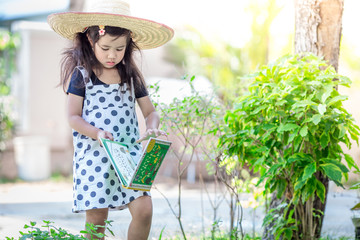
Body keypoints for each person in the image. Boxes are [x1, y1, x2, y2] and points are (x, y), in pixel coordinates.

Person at [47, 0, 174, 239]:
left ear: (128, 45)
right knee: (96, 220)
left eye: (119, 48)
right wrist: (97, 133)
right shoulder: (82, 75)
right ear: (91, 40)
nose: (112, 55)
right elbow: (73, 117)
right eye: (105, 48)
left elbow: (151, 112)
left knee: (144, 209)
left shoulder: (130, 75)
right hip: (94, 157)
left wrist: (152, 128)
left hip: (127, 156)